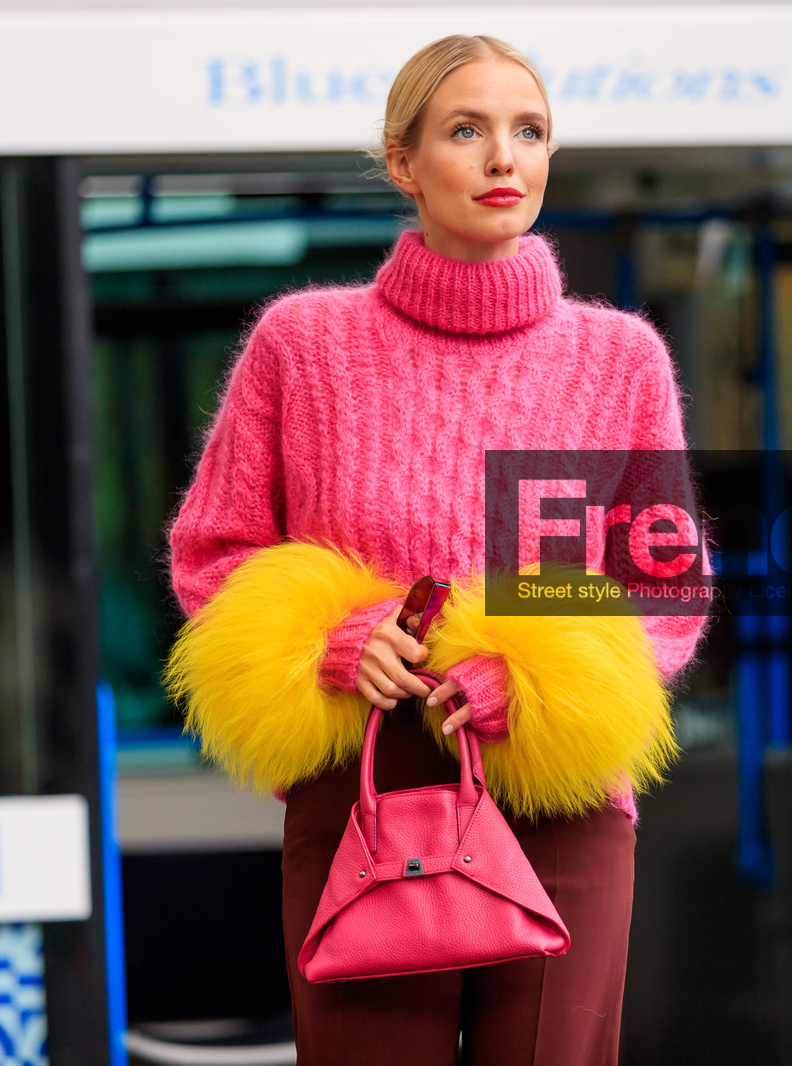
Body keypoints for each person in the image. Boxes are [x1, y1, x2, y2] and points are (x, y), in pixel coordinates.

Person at [164, 33, 711, 1066]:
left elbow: (663, 588)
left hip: (559, 797)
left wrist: (543, 680)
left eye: (529, 131)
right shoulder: (301, 346)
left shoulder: (618, 359)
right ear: (403, 160)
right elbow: (213, 549)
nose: (505, 157)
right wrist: (331, 638)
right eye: (467, 130)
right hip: (364, 788)